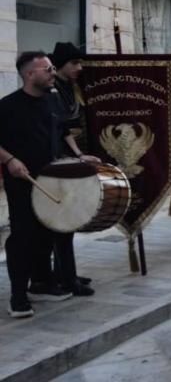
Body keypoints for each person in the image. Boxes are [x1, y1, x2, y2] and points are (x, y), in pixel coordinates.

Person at [1, 52, 100, 319]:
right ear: (29, 74)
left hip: (53, 179)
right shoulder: (8, 106)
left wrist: (78, 155)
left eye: (53, 68)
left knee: (47, 233)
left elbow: (63, 130)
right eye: (47, 69)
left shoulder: (53, 100)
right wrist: (10, 159)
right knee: (23, 238)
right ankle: (18, 298)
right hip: (23, 182)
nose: (53, 73)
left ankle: (41, 283)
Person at [46, 42, 94, 296]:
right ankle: (64, 278)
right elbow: (60, 128)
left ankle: (66, 273)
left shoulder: (68, 88)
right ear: (61, 65)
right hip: (54, 164)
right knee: (61, 223)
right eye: (74, 63)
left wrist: (79, 155)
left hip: (68, 160)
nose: (79, 68)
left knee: (68, 223)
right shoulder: (52, 90)